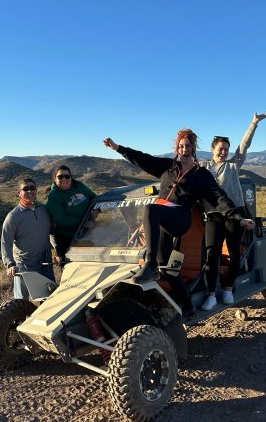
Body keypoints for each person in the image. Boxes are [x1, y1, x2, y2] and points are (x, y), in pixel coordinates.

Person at [104, 129, 254, 315]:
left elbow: (219, 197)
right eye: (181, 146)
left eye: (188, 146)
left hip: (180, 217)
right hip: (162, 221)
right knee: (167, 267)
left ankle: (150, 265)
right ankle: (187, 305)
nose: (184, 149)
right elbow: (143, 159)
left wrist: (238, 217)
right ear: (177, 148)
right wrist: (118, 148)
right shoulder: (168, 167)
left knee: (150, 208)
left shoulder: (201, 174)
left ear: (193, 148)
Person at [201, 112, 266, 310]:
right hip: (213, 216)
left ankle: (229, 289)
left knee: (233, 252)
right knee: (211, 255)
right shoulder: (203, 168)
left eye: (226, 150)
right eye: (221, 149)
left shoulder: (232, 165)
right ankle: (211, 294)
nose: (224, 152)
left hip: (235, 215)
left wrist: (254, 123)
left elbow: (244, 146)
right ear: (213, 149)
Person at [1, 178, 56, 299]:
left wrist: (58, 251)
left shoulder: (44, 210)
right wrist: (10, 264)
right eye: (25, 189)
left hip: (45, 262)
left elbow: (52, 233)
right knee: (21, 301)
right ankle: (20, 319)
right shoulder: (13, 216)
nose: (30, 191)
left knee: (49, 298)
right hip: (24, 264)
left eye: (33, 188)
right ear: (19, 193)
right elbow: (6, 242)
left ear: (36, 190)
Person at [46, 165, 97, 261]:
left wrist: (93, 216)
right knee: (71, 266)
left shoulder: (79, 186)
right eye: (60, 177)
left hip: (88, 233)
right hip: (68, 238)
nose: (64, 179)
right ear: (55, 178)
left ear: (71, 177)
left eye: (67, 176)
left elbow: (94, 198)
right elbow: (62, 219)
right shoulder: (54, 196)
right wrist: (84, 222)